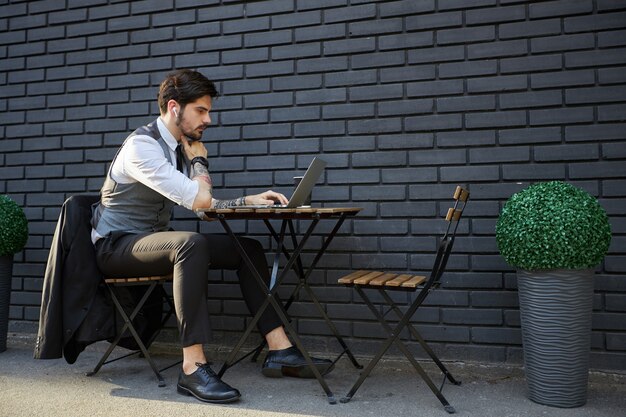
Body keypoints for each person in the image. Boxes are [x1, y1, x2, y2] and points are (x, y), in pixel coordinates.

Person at [90, 69, 333, 404]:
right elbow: (201, 199)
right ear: (174, 108)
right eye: (201, 111)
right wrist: (200, 160)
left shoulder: (177, 149)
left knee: (245, 248)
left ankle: (280, 350)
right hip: (115, 245)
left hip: (151, 241)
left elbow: (202, 207)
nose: (209, 119)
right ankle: (192, 367)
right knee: (190, 244)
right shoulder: (142, 147)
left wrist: (246, 202)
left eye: (208, 111)